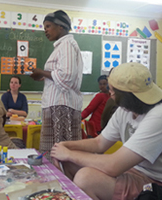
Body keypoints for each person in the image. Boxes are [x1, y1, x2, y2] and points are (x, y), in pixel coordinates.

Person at [50, 62, 162, 200]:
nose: (110, 93)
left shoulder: (158, 115)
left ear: (125, 95)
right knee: (67, 162)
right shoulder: (125, 110)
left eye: (112, 90)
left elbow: (113, 166)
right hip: (133, 171)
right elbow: (99, 143)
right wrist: (65, 146)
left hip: (154, 183)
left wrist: (69, 154)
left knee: (85, 178)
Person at [30, 10, 83, 161]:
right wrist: (44, 76)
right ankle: (57, 181)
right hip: (57, 104)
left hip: (61, 107)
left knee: (59, 154)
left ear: (61, 26)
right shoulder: (62, 46)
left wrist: (42, 71)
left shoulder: (66, 44)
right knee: (53, 153)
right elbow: (62, 75)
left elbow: (66, 77)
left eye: (48, 26)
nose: (45, 30)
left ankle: (62, 183)